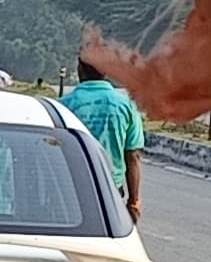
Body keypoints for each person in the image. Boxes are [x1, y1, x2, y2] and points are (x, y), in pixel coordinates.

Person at [62, 58, 148, 221]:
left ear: (80, 69)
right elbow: (133, 156)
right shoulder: (125, 105)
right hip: (110, 190)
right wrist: (134, 202)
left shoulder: (64, 105)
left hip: (71, 189)